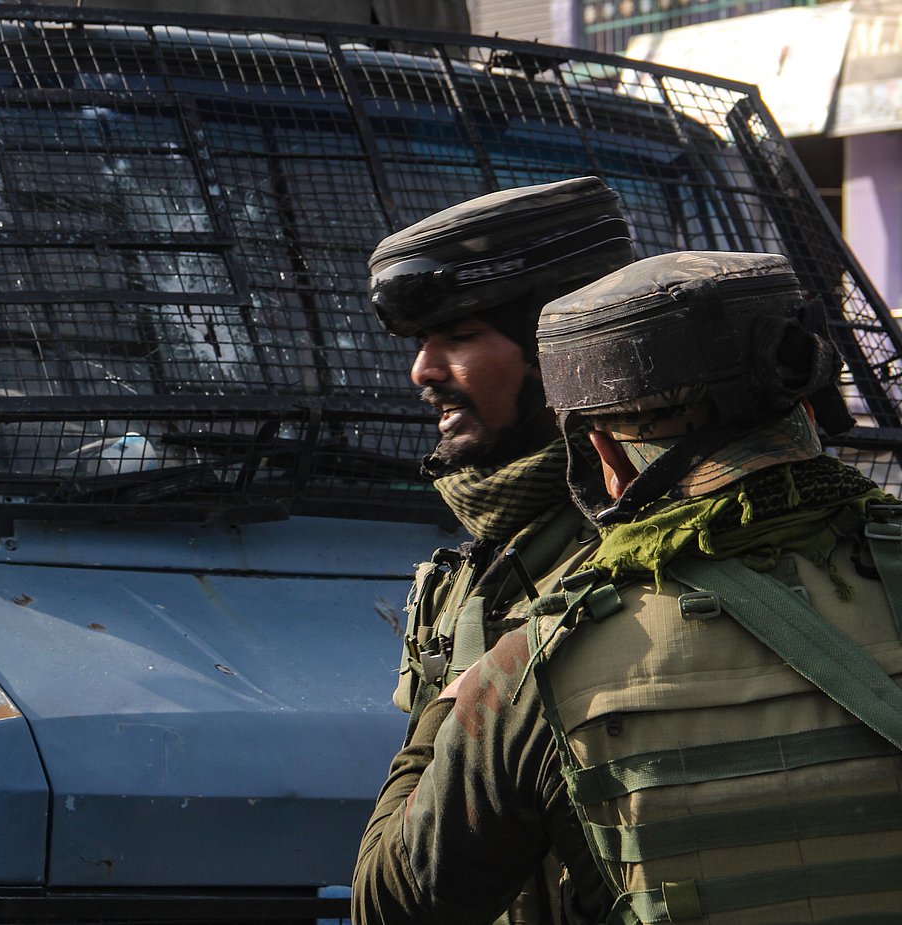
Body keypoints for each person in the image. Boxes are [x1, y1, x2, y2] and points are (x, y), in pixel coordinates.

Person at [353, 250, 902, 924]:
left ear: (605, 457)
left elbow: (389, 904)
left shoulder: (538, 667)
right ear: (808, 411)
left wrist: (447, 708)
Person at [368, 178, 633, 923]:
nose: (423, 371)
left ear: (557, 355)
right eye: (423, 342)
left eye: (458, 336)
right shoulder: (493, 556)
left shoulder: (631, 544)